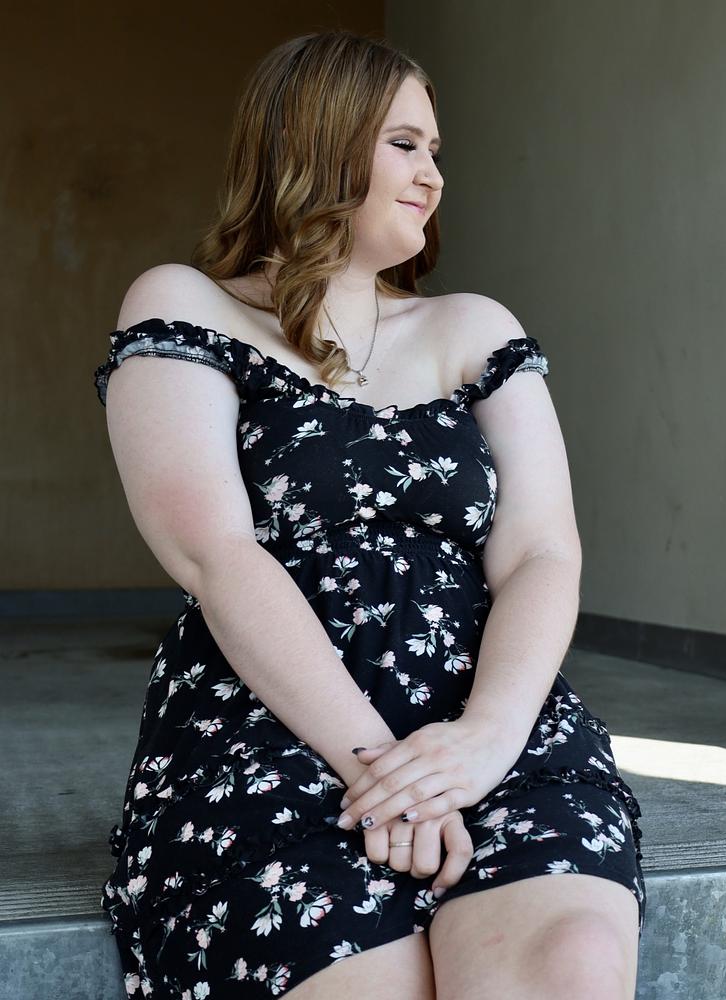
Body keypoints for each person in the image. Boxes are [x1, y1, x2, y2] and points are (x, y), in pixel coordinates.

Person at [93, 28, 645, 1000]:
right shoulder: (185, 306)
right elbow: (214, 551)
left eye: (435, 150)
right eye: (403, 144)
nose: (433, 175)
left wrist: (484, 739)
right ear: (316, 142)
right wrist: (379, 770)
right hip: (271, 725)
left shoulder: (476, 328)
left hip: (484, 716)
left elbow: (540, 551)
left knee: (569, 965)